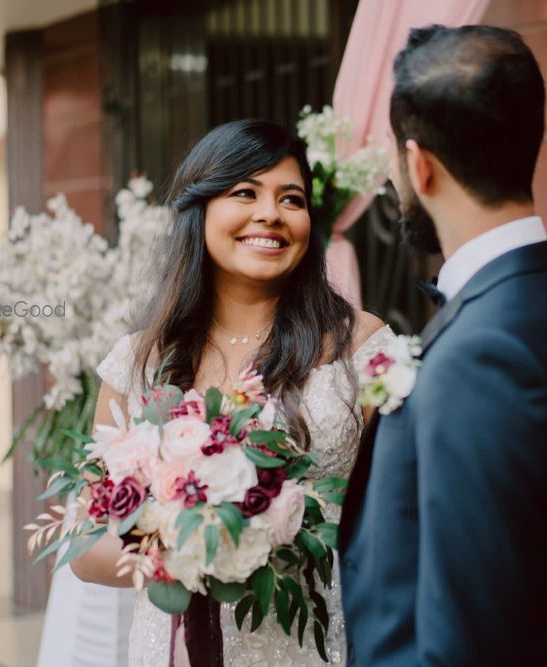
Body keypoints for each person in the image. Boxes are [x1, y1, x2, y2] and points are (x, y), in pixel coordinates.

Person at [339, 25, 547, 666]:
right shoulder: (545, 299)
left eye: (390, 153)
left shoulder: (487, 352)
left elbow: (467, 641)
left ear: (419, 164)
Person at [71, 118, 394, 666]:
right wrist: (178, 552)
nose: (270, 213)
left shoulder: (359, 345)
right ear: (199, 210)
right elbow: (84, 541)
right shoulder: (141, 360)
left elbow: (417, 508)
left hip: (317, 641)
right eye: (245, 192)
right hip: (172, 647)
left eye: (291, 199)